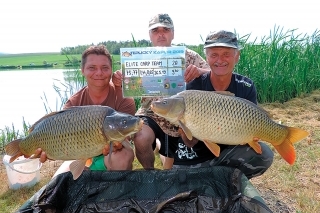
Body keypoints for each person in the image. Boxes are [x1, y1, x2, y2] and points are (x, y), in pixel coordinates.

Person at [163, 30, 274, 179]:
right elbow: (190, 143)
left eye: (226, 54)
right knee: (185, 181)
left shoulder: (246, 86)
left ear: (237, 57)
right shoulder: (193, 88)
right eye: (214, 54)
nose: (220, 60)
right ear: (207, 57)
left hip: (228, 153)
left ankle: (227, 177)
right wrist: (186, 132)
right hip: (195, 156)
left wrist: (251, 136)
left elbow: (253, 126)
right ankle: (216, 177)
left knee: (264, 155)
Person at [31, 45, 137, 177]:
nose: (99, 73)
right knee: (58, 179)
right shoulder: (73, 103)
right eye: (92, 68)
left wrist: (115, 145)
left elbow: (123, 137)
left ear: (111, 70)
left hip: (113, 152)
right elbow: (63, 144)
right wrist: (49, 153)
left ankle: (114, 191)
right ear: (82, 70)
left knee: (122, 158)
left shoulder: (123, 98)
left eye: (105, 68)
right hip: (80, 154)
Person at [130, 13, 210, 169]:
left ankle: (164, 150)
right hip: (151, 113)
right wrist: (119, 81)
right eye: (156, 31)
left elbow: (212, 73)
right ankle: (151, 173)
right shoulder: (139, 58)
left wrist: (199, 71)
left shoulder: (188, 56)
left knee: (183, 153)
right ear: (150, 35)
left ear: (172, 33)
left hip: (184, 114)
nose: (161, 34)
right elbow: (126, 83)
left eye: (165, 30)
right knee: (141, 137)